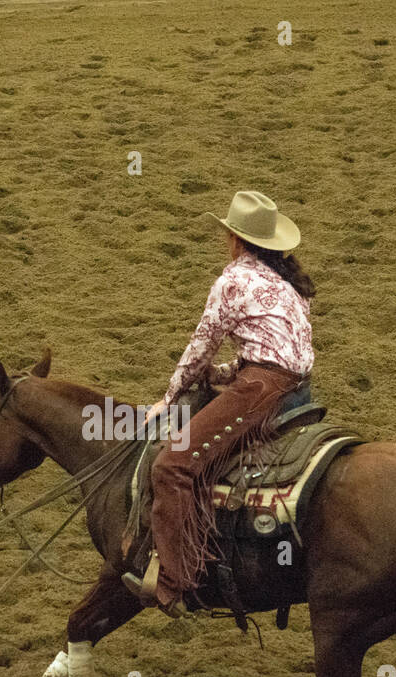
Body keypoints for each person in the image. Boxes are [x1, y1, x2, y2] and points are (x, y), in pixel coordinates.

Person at [128, 190, 316, 616]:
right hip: (298, 390)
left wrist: (169, 398)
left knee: (172, 465)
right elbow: (276, 351)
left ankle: (175, 582)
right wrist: (228, 375)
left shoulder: (232, 280)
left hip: (262, 391)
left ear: (234, 239)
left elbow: (200, 349)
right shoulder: (289, 283)